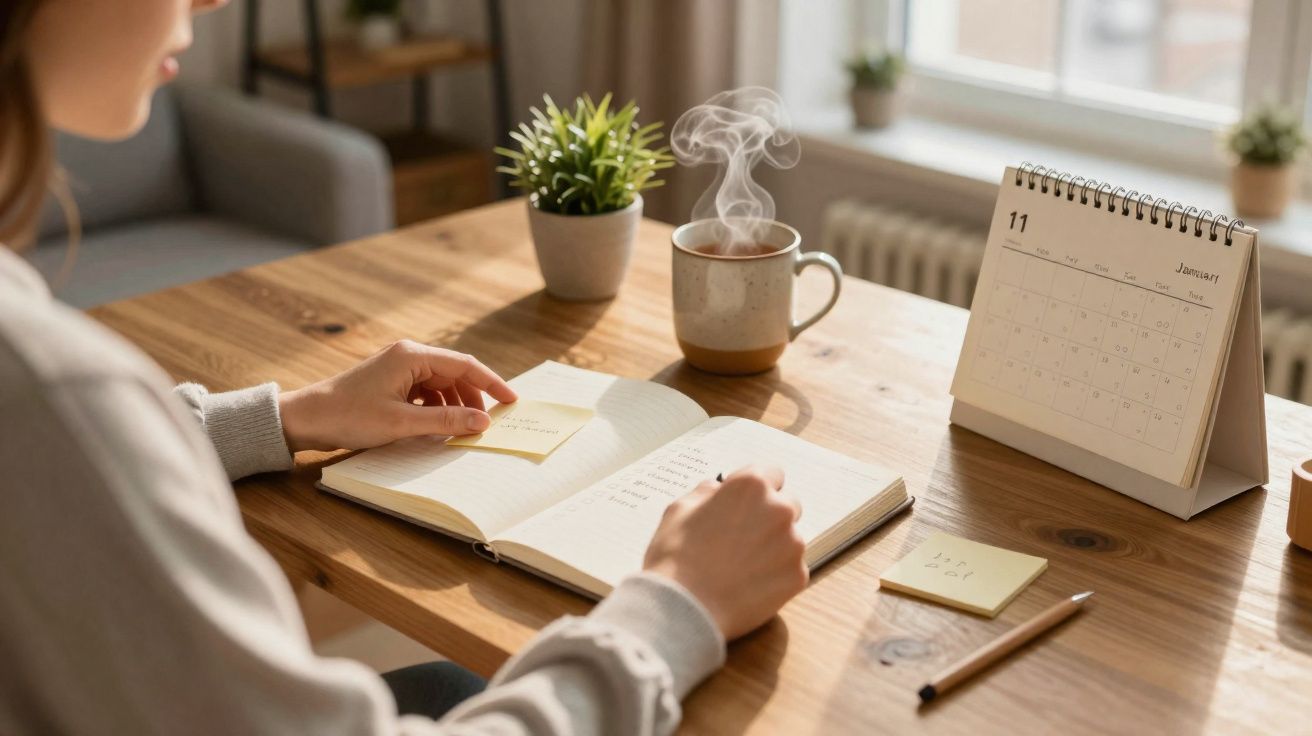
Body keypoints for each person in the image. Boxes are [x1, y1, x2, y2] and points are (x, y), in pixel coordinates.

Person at [0, 1, 810, 734]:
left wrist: (289, 415)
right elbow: (62, 431)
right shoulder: (55, 388)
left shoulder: (49, 386)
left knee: (451, 681)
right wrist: (677, 606)